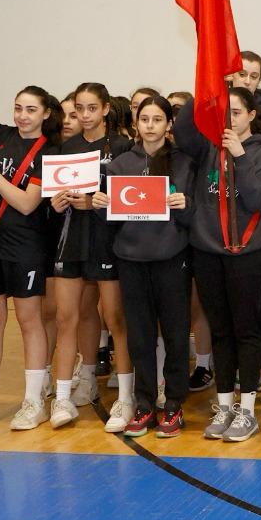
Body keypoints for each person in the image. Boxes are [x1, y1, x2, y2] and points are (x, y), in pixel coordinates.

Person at [175, 87, 261, 443]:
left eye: (236, 112)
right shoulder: (207, 146)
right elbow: (181, 129)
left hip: (247, 254)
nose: (230, 119)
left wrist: (239, 155)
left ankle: (248, 410)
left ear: (252, 115)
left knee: (245, 330)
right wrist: (205, 88)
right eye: (225, 113)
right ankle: (224, 405)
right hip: (208, 251)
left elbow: (258, 199)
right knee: (220, 330)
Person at [95, 95, 193, 439]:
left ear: (169, 124)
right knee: (139, 336)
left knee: (176, 335)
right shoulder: (121, 164)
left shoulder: (184, 161)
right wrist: (101, 205)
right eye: (145, 119)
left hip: (172, 258)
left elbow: (195, 214)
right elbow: (110, 218)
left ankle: (174, 403)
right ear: (136, 123)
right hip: (132, 261)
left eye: (157, 119)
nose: (150, 126)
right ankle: (145, 404)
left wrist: (185, 204)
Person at [0, 86, 59, 432]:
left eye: (31, 109)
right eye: (18, 108)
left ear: (45, 113)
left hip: (26, 246)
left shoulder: (50, 151)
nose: (22, 115)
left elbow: (27, 203)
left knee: (29, 320)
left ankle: (33, 401)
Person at [46, 82, 135, 431]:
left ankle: (125, 397)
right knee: (67, 317)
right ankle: (63, 397)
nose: (84, 115)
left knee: (115, 319)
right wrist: (57, 203)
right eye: (79, 109)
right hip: (72, 241)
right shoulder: (67, 147)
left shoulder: (123, 147)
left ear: (106, 109)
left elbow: (130, 200)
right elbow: (57, 191)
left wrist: (99, 203)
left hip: (108, 242)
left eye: (91, 108)